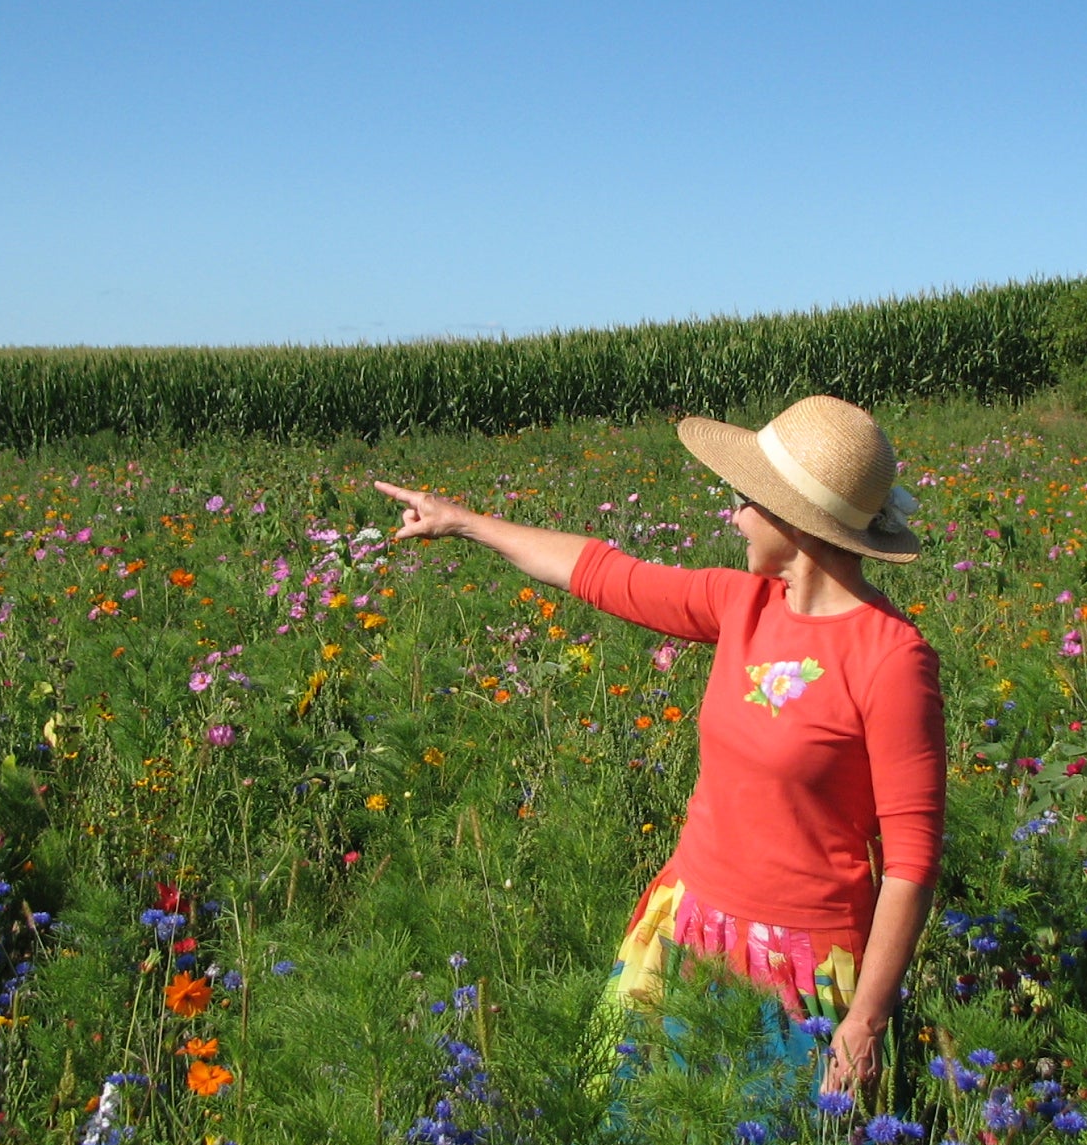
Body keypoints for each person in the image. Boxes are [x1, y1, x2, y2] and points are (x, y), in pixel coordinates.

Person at [376, 394, 945, 1093]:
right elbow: (597, 571)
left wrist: (865, 1022)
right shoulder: (741, 603)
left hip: (801, 971)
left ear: (795, 521)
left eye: (746, 501)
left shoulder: (892, 658)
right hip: (689, 930)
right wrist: (462, 523)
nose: (735, 515)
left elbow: (912, 864)